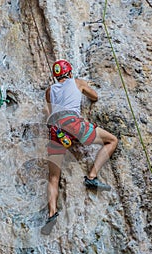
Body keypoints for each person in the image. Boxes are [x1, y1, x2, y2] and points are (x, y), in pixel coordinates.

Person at [41, 59, 118, 234]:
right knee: (112, 140)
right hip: (73, 124)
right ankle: (92, 176)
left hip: (56, 131)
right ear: (69, 72)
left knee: (53, 177)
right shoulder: (77, 83)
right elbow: (95, 96)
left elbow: (48, 111)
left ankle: (52, 213)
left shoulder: (49, 91)